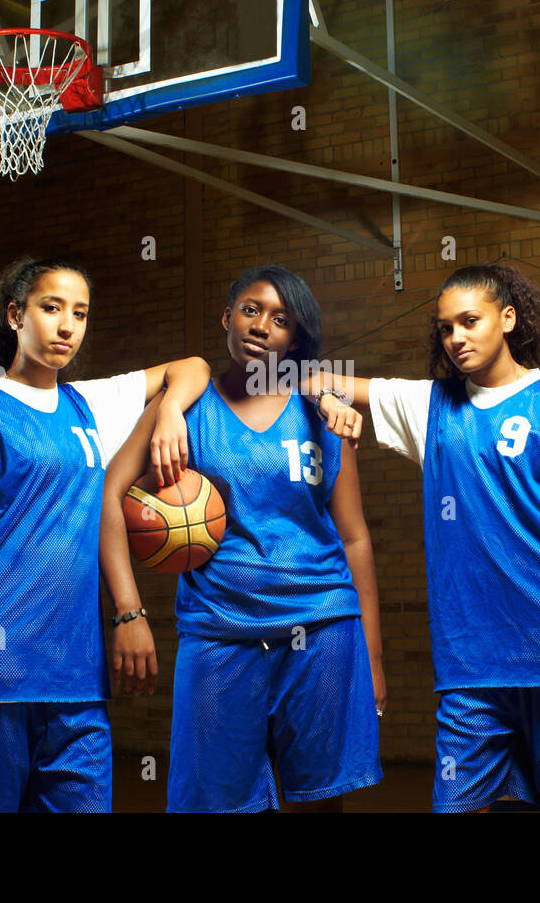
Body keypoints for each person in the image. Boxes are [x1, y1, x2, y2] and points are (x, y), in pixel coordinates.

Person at [308, 262, 540, 813]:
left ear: (507, 317)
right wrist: (330, 402)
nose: (455, 338)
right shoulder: (431, 406)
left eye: (469, 321)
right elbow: (307, 379)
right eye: (445, 327)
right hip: (470, 663)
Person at [0, 256, 210, 813]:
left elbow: (191, 367)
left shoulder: (88, 404)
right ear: (15, 315)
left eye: (80, 313)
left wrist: (169, 412)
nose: (67, 325)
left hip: (77, 681)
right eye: (51, 308)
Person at [99, 263, 384, 813]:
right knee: (214, 802)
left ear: (295, 338)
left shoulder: (325, 412)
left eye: (281, 320)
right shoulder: (181, 407)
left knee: (320, 799)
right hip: (219, 631)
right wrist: (129, 612)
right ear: (227, 316)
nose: (261, 326)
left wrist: (372, 658)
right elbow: (110, 496)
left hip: (323, 626)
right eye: (251, 310)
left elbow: (354, 538)